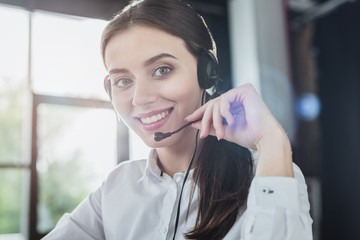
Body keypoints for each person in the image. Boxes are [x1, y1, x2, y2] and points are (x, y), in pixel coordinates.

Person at [42, 0, 313, 239]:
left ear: (207, 70)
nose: (139, 98)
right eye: (123, 81)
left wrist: (271, 139)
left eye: (162, 70)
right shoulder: (117, 186)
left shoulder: (270, 173)